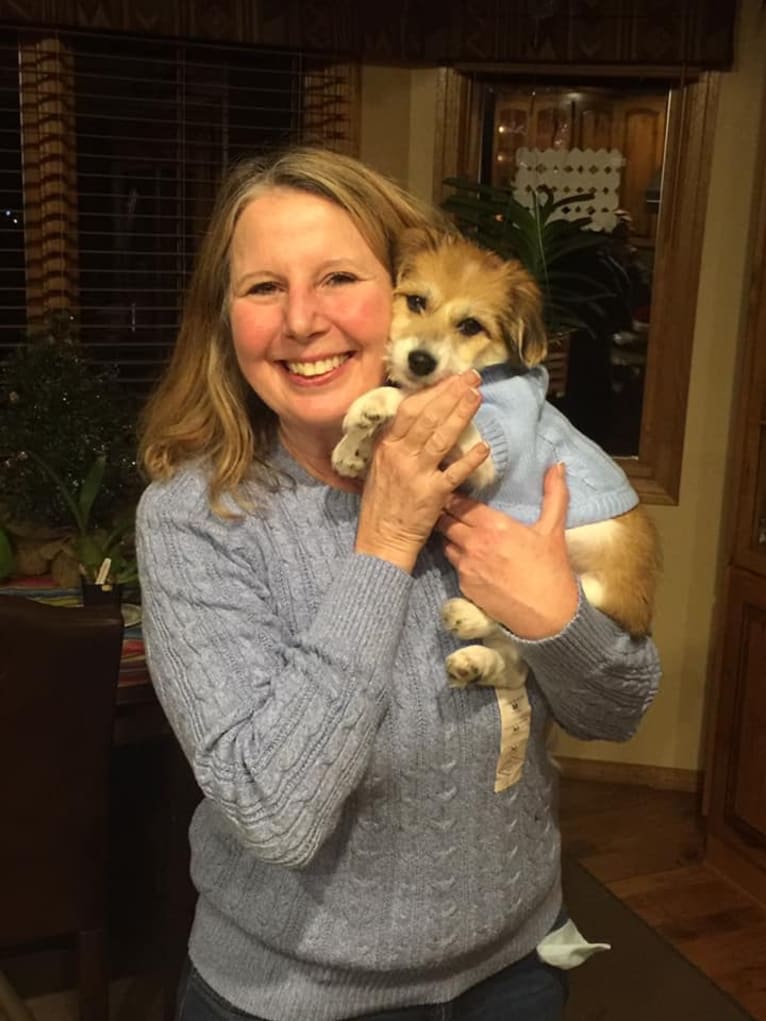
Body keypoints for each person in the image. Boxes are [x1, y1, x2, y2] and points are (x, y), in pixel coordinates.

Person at [136, 146, 661, 1021]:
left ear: (402, 289)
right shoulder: (195, 517)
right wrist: (383, 540)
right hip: (295, 998)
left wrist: (556, 619)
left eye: (339, 276)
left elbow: (620, 709)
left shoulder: (518, 469)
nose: (303, 320)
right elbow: (274, 815)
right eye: (264, 287)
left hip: (516, 971)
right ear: (224, 318)